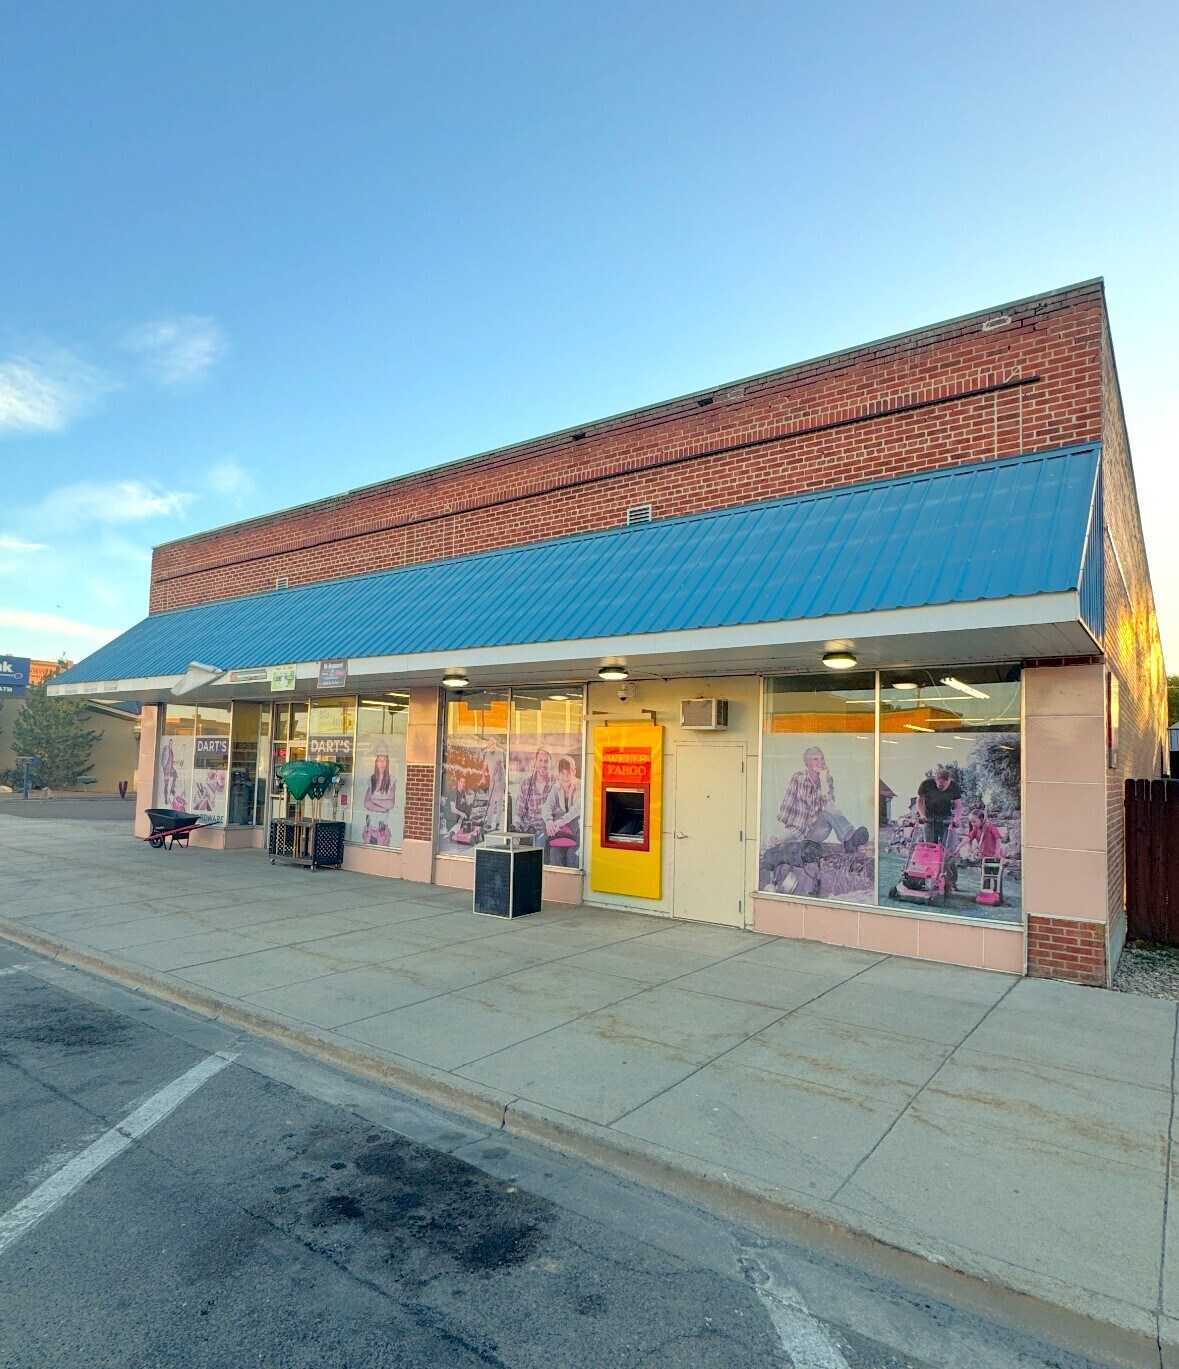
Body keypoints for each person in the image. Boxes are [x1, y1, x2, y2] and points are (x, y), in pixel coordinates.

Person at [777, 746, 869, 852]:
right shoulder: (798, 778)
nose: (820, 762)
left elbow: (829, 805)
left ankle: (848, 838)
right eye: (815, 759)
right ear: (808, 763)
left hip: (816, 832)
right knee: (783, 844)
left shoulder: (827, 779)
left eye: (822, 758)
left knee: (829, 809)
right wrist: (777, 835)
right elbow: (786, 806)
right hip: (797, 833)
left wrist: (823, 779)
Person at [512, 747, 554, 853]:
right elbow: (519, 813)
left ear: (551, 763)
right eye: (540, 760)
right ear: (535, 762)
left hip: (547, 830)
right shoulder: (526, 784)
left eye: (546, 761)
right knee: (513, 848)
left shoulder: (556, 782)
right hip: (528, 829)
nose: (543, 764)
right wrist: (515, 832)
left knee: (539, 847)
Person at [542, 755, 581, 867]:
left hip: (577, 831)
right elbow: (547, 805)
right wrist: (549, 821)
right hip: (563, 831)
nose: (565, 777)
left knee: (572, 855)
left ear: (574, 772)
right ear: (559, 774)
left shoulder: (580, 785)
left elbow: (578, 808)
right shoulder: (557, 787)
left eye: (568, 773)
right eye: (562, 773)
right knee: (554, 853)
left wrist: (561, 821)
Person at [482, 737, 506, 832]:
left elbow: (497, 765)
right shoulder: (487, 753)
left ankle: (497, 823)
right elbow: (484, 766)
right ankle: (488, 823)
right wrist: (483, 776)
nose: (488, 744)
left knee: (499, 802)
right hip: (492, 780)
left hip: (499, 780)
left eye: (489, 742)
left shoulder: (499, 752)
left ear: (493, 743)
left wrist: (493, 777)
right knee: (491, 801)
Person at [363, 748, 396, 814]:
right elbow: (366, 803)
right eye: (379, 760)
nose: (382, 763)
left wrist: (374, 800)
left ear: (387, 763)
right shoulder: (372, 779)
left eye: (384, 760)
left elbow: (390, 804)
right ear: (376, 763)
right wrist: (382, 809)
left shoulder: (391, 780)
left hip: (384, 821)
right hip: (371, 820)